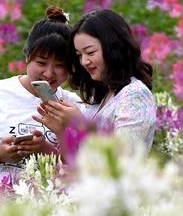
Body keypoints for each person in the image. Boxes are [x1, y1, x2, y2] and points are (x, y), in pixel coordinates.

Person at [0, 6, 83, 196]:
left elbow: (86, 170)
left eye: (60, 66)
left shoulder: (73, 107)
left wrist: (47, 150)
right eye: (41, 63)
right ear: (27, 57)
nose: (49, 73)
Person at [34, 9, 156, 154]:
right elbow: (81, 158)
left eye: (90, 52)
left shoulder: (136, 95)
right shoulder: (101, 95)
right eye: (79, 55)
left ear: (113, 48)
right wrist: (62, 129)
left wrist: (80, 123)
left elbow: (122, 158)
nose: (84, 62)